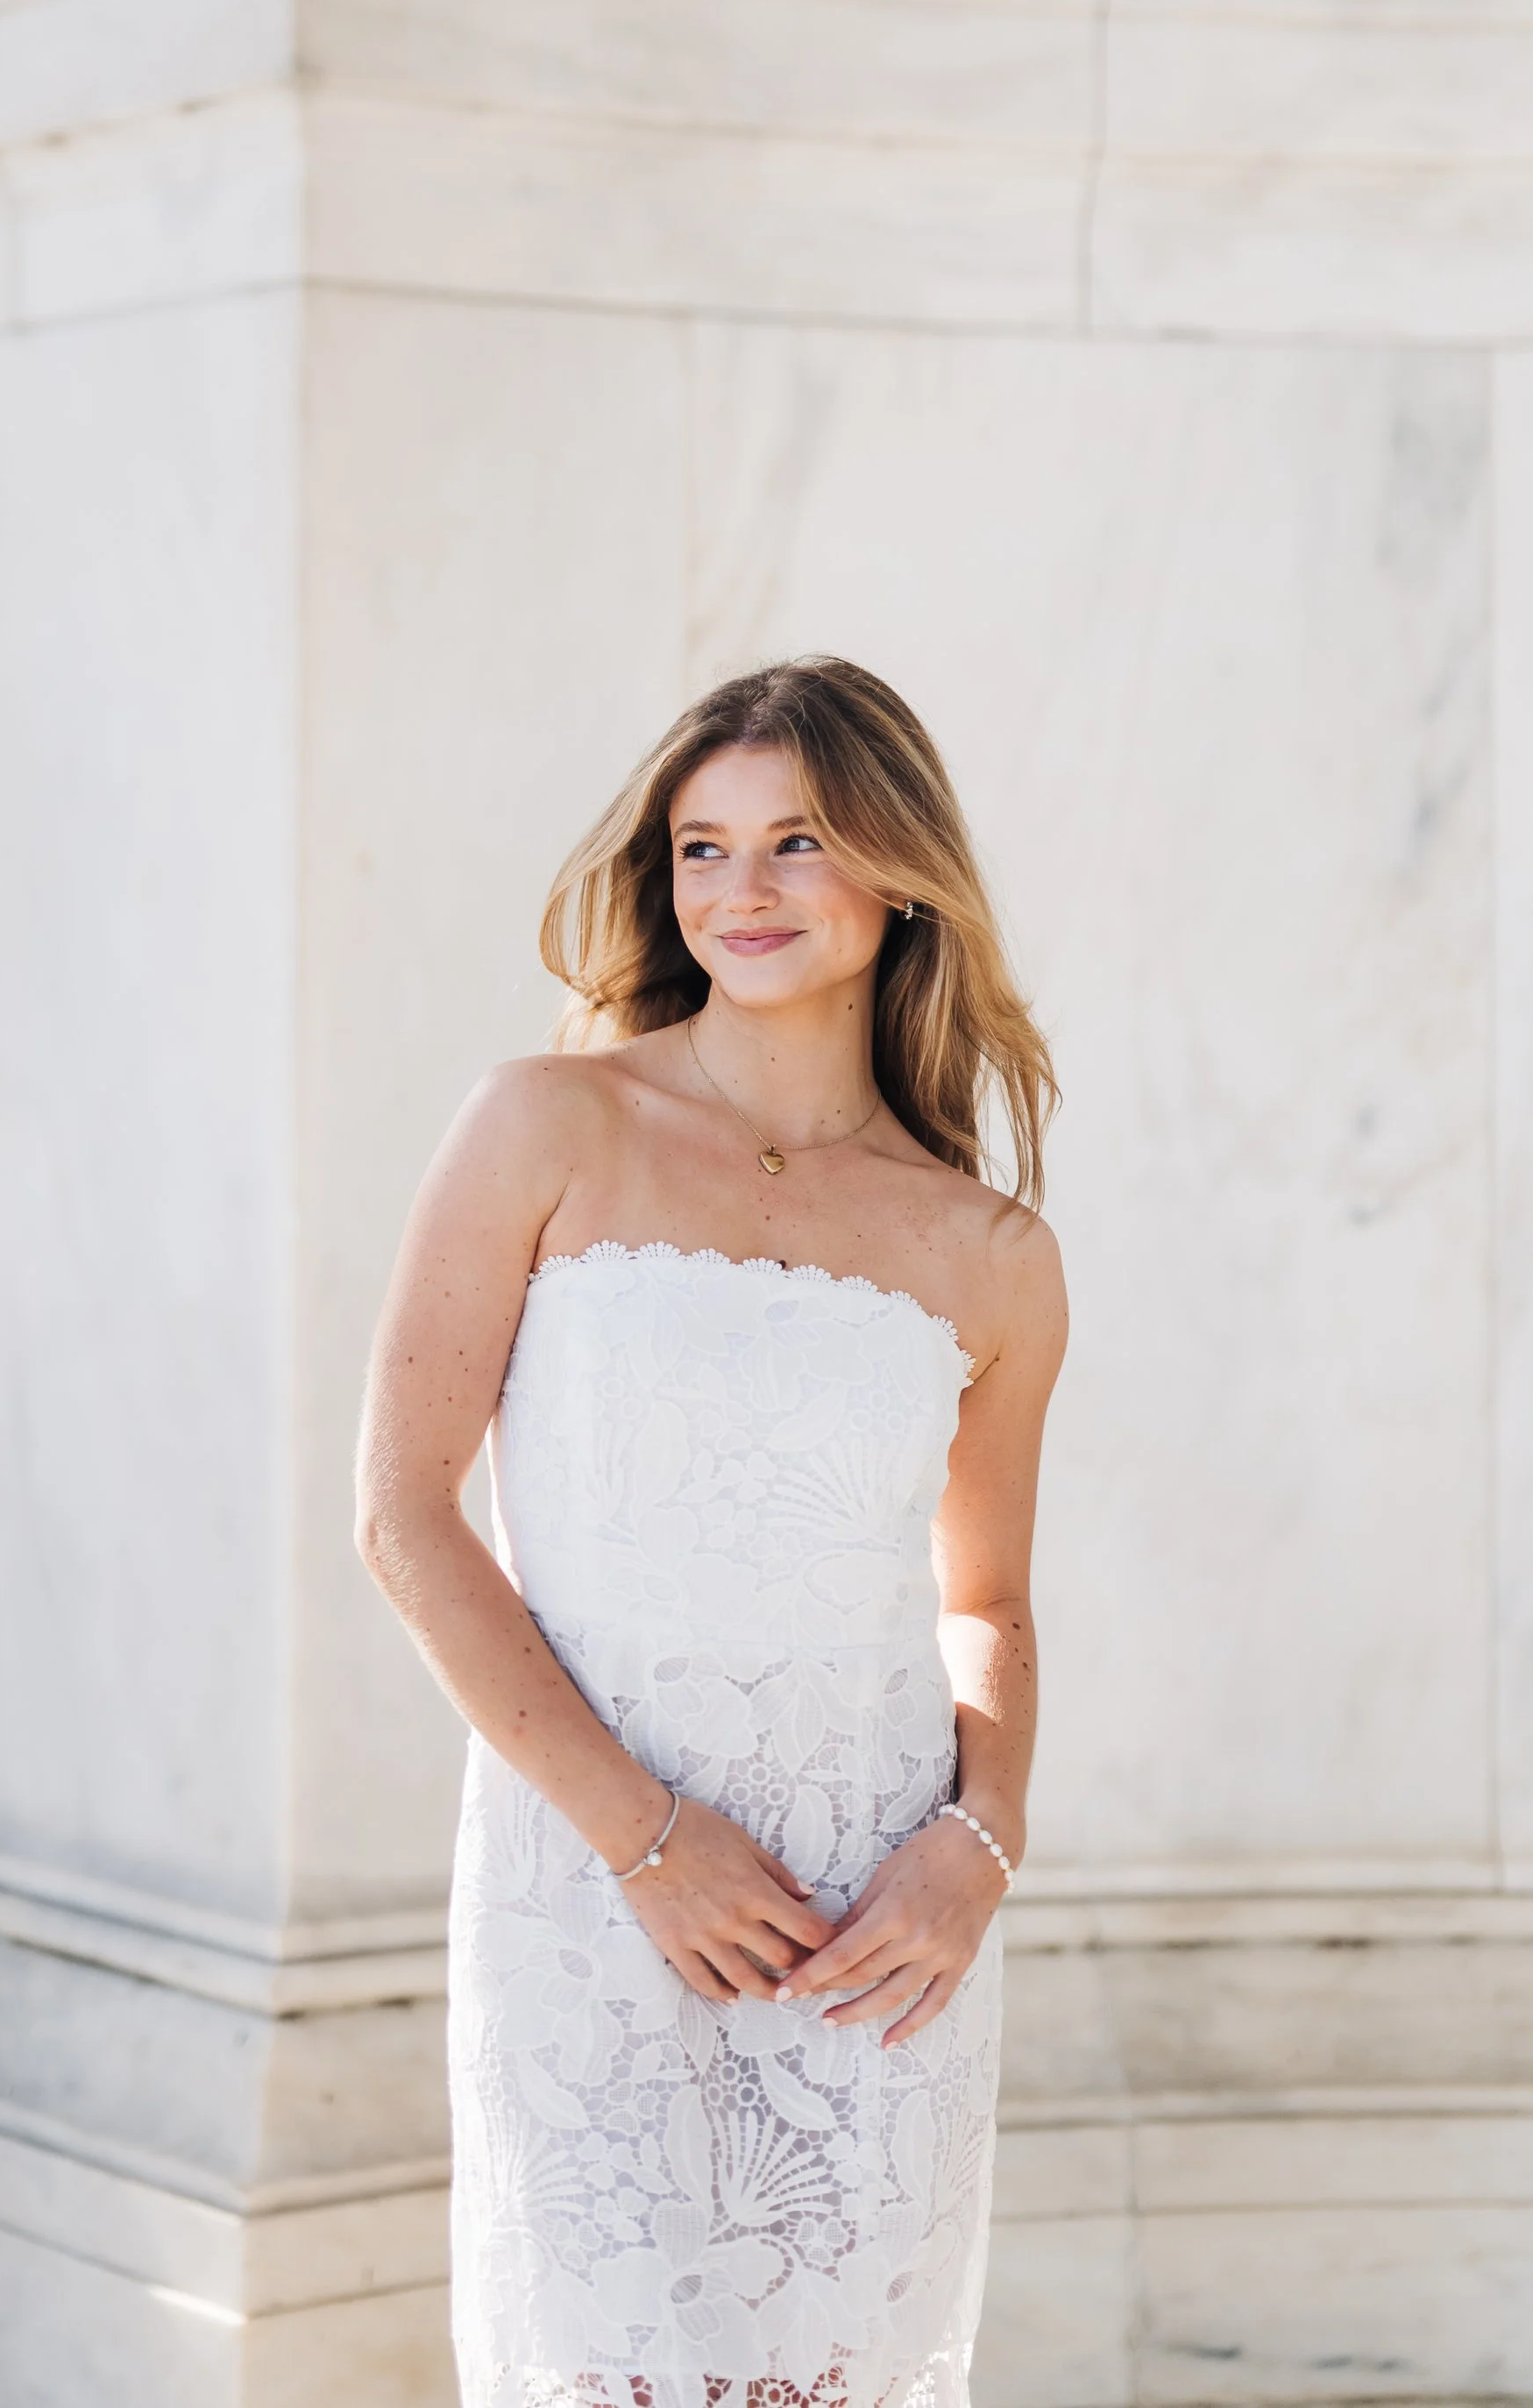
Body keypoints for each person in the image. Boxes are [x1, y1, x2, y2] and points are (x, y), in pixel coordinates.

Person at [355, 658, 1066, 2408]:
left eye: (794, 842)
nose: (736, 891)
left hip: (873, 1931)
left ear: (896, 872)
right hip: (595, 1886)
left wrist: (977, 1843)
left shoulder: (986, 1251)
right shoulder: (544, 1126)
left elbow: (982, 1601)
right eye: (699, 848)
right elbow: (402, 1520)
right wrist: (642, 1838)